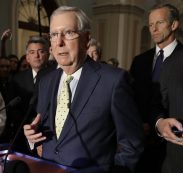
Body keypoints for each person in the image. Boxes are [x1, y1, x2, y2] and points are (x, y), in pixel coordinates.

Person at [23, 6, 143, 173]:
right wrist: (33, 137)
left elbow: (131, 144)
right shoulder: (46, 80)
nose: (59, 42)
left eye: (68, 33)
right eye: (54, 35)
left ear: (86, 39)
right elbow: (49, 133)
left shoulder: (113, 81)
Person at [130, 4, 182, 173]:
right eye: (151, 24)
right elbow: (131, 98)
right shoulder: (139, 61)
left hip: (175, 147)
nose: (153, 29)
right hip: (140, 143)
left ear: (174, 25)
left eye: (159, 23)